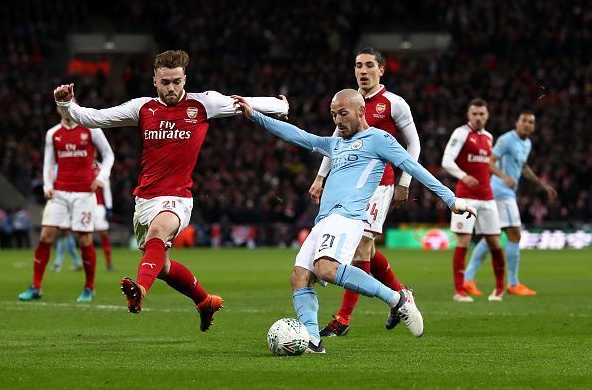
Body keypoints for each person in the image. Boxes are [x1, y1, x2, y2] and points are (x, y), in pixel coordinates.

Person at [53, 50, 288, 332]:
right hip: (145, 199)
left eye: (176, 81)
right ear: (154, 80)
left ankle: (139, 289)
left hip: (178, 198)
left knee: (157, 234)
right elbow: (96, 118)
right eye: (165, 82)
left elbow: (242, 102)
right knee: (160, 266)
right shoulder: (142, 108)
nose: (172, 88)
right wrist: (66, 104)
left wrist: (279, 106)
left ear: (184, 78)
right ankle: (205, 301)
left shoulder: (203, 103)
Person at [233, 90, 475, 353]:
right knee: (300, 277)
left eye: (343, 113)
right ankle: (314, 341)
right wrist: (256, 116)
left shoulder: (379, 139)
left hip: (348, 216)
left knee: (326, 268)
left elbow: (414, 166)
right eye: (334, 114)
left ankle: (398, 299)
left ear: (361, 111)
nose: (337, 120)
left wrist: (451, 199)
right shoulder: (335, 144)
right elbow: (299, 136)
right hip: (324, 219)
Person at [308, 46, 421, 337]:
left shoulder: (394, 103)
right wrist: (321, 177)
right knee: (366, 248)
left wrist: (404, 182)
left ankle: (344, 319)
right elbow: (332, 143)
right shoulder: (346, 101)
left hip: (380, 184)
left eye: (370, 65)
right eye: (358, 65)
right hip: (348, 187)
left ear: (381, 70)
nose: (363, 70)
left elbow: (414, 144)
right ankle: (400, 295)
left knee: (360, 249)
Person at [18, 105, 114, 303]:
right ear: (58, 110)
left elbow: (108, 154)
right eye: (62, 107)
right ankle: (36, 286)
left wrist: (102, 177)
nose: (67, 110)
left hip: (85, 193)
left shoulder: (91, 129)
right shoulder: (53, 134)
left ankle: (89, 288)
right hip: (59, 192)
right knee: (46, 234)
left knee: (85, 240)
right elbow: (48, 163)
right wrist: (47, 185)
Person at [463, 111, 557, 296]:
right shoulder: (507, 139)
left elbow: (523, 166)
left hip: (507, 193)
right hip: (500, 192)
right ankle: (513, 283)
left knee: (491, 236)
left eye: (531, 122)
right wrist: (504, 177)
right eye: (524, 121)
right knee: (514, 234)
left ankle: (467, 278)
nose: (527, 124)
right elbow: (489, 161)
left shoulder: (527, 143)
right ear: (517, 122)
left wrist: (542, 184)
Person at [441, 98, 505, 302]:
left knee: (495, 241)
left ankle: (499, 289)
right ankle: (459, 291)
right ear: (469, 115)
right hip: (466, 196)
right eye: (475, 114)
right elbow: (446, 160)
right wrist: (463, 176)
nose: (478, 117)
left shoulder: (488, 137)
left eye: (482, 114)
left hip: (487, 197)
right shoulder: (461, 133)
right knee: (464, 241)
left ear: (487, 115)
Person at [92, 162, 115, 271]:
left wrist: (108, 207)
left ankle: (109, 262)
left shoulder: (101, 167)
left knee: (103, 233)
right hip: (83, 204)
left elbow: (106, 189)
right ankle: (86, 262)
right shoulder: (80, 162)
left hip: (98, 206)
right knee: (84, 235)